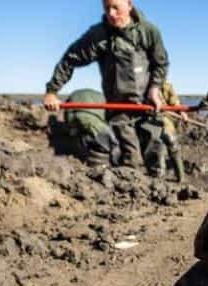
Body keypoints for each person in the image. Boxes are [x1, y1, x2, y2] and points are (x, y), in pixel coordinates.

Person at [43, 0, 169, 174]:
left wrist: (155, 89)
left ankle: (159, 192)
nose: (110, 13)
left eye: (116, 7)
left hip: (148, 104)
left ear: (129, 5)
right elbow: (69, 59)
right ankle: (127, 192)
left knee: (155, 153)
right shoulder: (98, 35)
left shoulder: (148, 31)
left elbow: (160, 64)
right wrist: (52, 91)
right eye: (106, 8)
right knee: (130, 158)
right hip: (119, 108)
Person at [157, 80, 186, 182]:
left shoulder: (165, 84)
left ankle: (181, 178)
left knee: (173, 143)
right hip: (148, 120)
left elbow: (174, 101)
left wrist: (182, 112)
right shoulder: (141, 82)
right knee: (156, 148)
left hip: (165, 119)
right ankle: (158, 179)